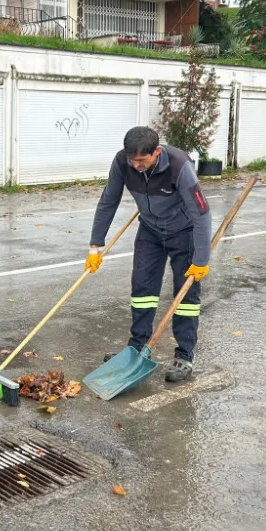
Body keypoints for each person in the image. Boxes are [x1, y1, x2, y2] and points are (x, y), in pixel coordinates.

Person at [85, 126, 212, 383]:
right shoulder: (122, 162)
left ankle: (185, 355)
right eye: (132, 159)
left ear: (156, 152)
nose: (135, 165)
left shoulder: (179, 166)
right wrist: (95, 246)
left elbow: (201, 214)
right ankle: (136, 349)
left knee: (186, 296)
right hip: (150, 231)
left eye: (141, 160)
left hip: (184, 232)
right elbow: (108, 200)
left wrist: (201, 260)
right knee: (142, 291)